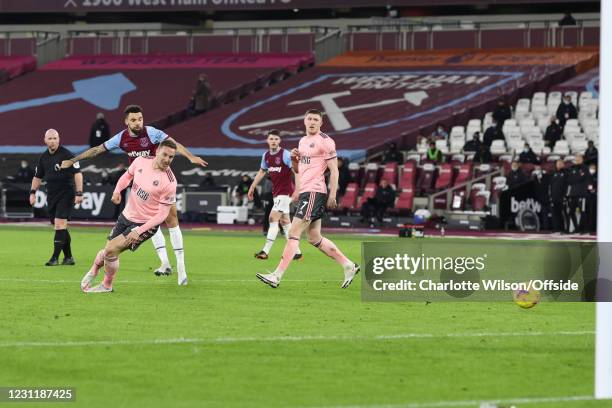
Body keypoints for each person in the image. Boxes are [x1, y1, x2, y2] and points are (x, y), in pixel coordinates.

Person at [59, 105, 207, 284]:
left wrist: (190, 157)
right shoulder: (121, 137)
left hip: (158, 183)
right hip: (138, 179)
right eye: (134, 120)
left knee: (170, 219)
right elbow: (97, 149)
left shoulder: (151, 133)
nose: (138, 123)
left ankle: (181, 269)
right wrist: (73, 160)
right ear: (126, 122)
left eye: (140, 119)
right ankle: (165, 262)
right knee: (148, 221)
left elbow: (173, 144)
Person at [256, 109, 360, 289]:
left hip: (315, 191)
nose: (312, 122)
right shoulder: (303, 141)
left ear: (321, 123)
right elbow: (298, 170)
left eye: (315, 119)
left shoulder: (326, 141)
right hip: (306, 191)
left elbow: (334, 170)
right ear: (304, 121)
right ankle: (348, 265)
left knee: (293, 233)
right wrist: (295, 159)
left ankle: (277, 275)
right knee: (314, 237)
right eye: (309, 118)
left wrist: (333, 193)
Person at [80, 140, 179, 293]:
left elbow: (162, 214)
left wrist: (139, 231)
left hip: (145, 224)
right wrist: (117, 190)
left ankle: (107, 285)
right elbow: (127, 176)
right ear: (157, 152)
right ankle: (94, 269)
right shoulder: (140, 161)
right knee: (108, 250)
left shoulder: (169, 182)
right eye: (165, 154)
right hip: (126, 216)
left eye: (171, 157)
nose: (167, 159)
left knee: (112, 250)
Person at [29, 129, 83, 266]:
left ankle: (54, 258)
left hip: (66, 194)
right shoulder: (43, 157)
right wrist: (32, 192)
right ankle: (69, 257)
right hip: (52, 195)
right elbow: (38, 176)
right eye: (50, 139)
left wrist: (79, 193)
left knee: (59, 224)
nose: (52, 141)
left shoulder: (68, 155)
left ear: (59, 139)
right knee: (60, 227)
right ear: (45, 140)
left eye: (55, 138)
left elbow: (78, 174)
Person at [247, 130, 302, 261]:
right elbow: (261, 171)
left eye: (276, 139)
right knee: (285, 221)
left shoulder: (285, 154)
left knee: (272, 218)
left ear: (279, 141)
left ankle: (265, 251)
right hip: (277, 193)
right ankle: (297, 252)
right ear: (267, 140)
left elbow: (297, 171)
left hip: (285, 192)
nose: (273, 141)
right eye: (271, 139)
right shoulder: (266, 155)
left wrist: (297, 190)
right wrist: (252, 186)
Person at [566, 154, 589, 233]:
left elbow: (581, 178)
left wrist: (575, 178)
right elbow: (569, 180)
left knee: (583, 211)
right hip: (573, 193)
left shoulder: (585, 168)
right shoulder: (572, 168)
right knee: (571, 212)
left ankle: (584, 229)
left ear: (582, 160)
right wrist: (577, 177)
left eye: (579, 159)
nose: (577, 160)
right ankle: (577, 228)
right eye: (576, 159)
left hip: (582, 193)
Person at [549, 159, 568, 233]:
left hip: (562, 196)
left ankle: (564, 229)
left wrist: (565, 195)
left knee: (563, 213)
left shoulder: (566, 173)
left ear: (564, 164)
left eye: (561, 163)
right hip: (554, 197)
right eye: (558, 163)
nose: (559, 165)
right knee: (555, 214)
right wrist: (551, 196)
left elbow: (567, 185)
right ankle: (556, 228)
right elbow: (550, 186)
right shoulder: (553, 173)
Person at [532, 165, 551, 230]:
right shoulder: (534, 178)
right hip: (541, 199)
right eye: (536, 169)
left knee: (552, 213)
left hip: (548, 198)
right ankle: (546, 227)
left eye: (538, 168)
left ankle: (555, 227)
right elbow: (535, 188)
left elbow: (548, 186)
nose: (537, 170)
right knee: (544, 214)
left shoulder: (546, 176)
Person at [584, 163, 597, 234]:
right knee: (587, 212)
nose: (593, 169)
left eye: (594, 168)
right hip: (587, 196)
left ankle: (592, 228)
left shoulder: (597, 176)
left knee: (593, 212)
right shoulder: (586, 176)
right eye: (591, 168)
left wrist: (594, 190)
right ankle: (587, 227)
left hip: (594, 196)